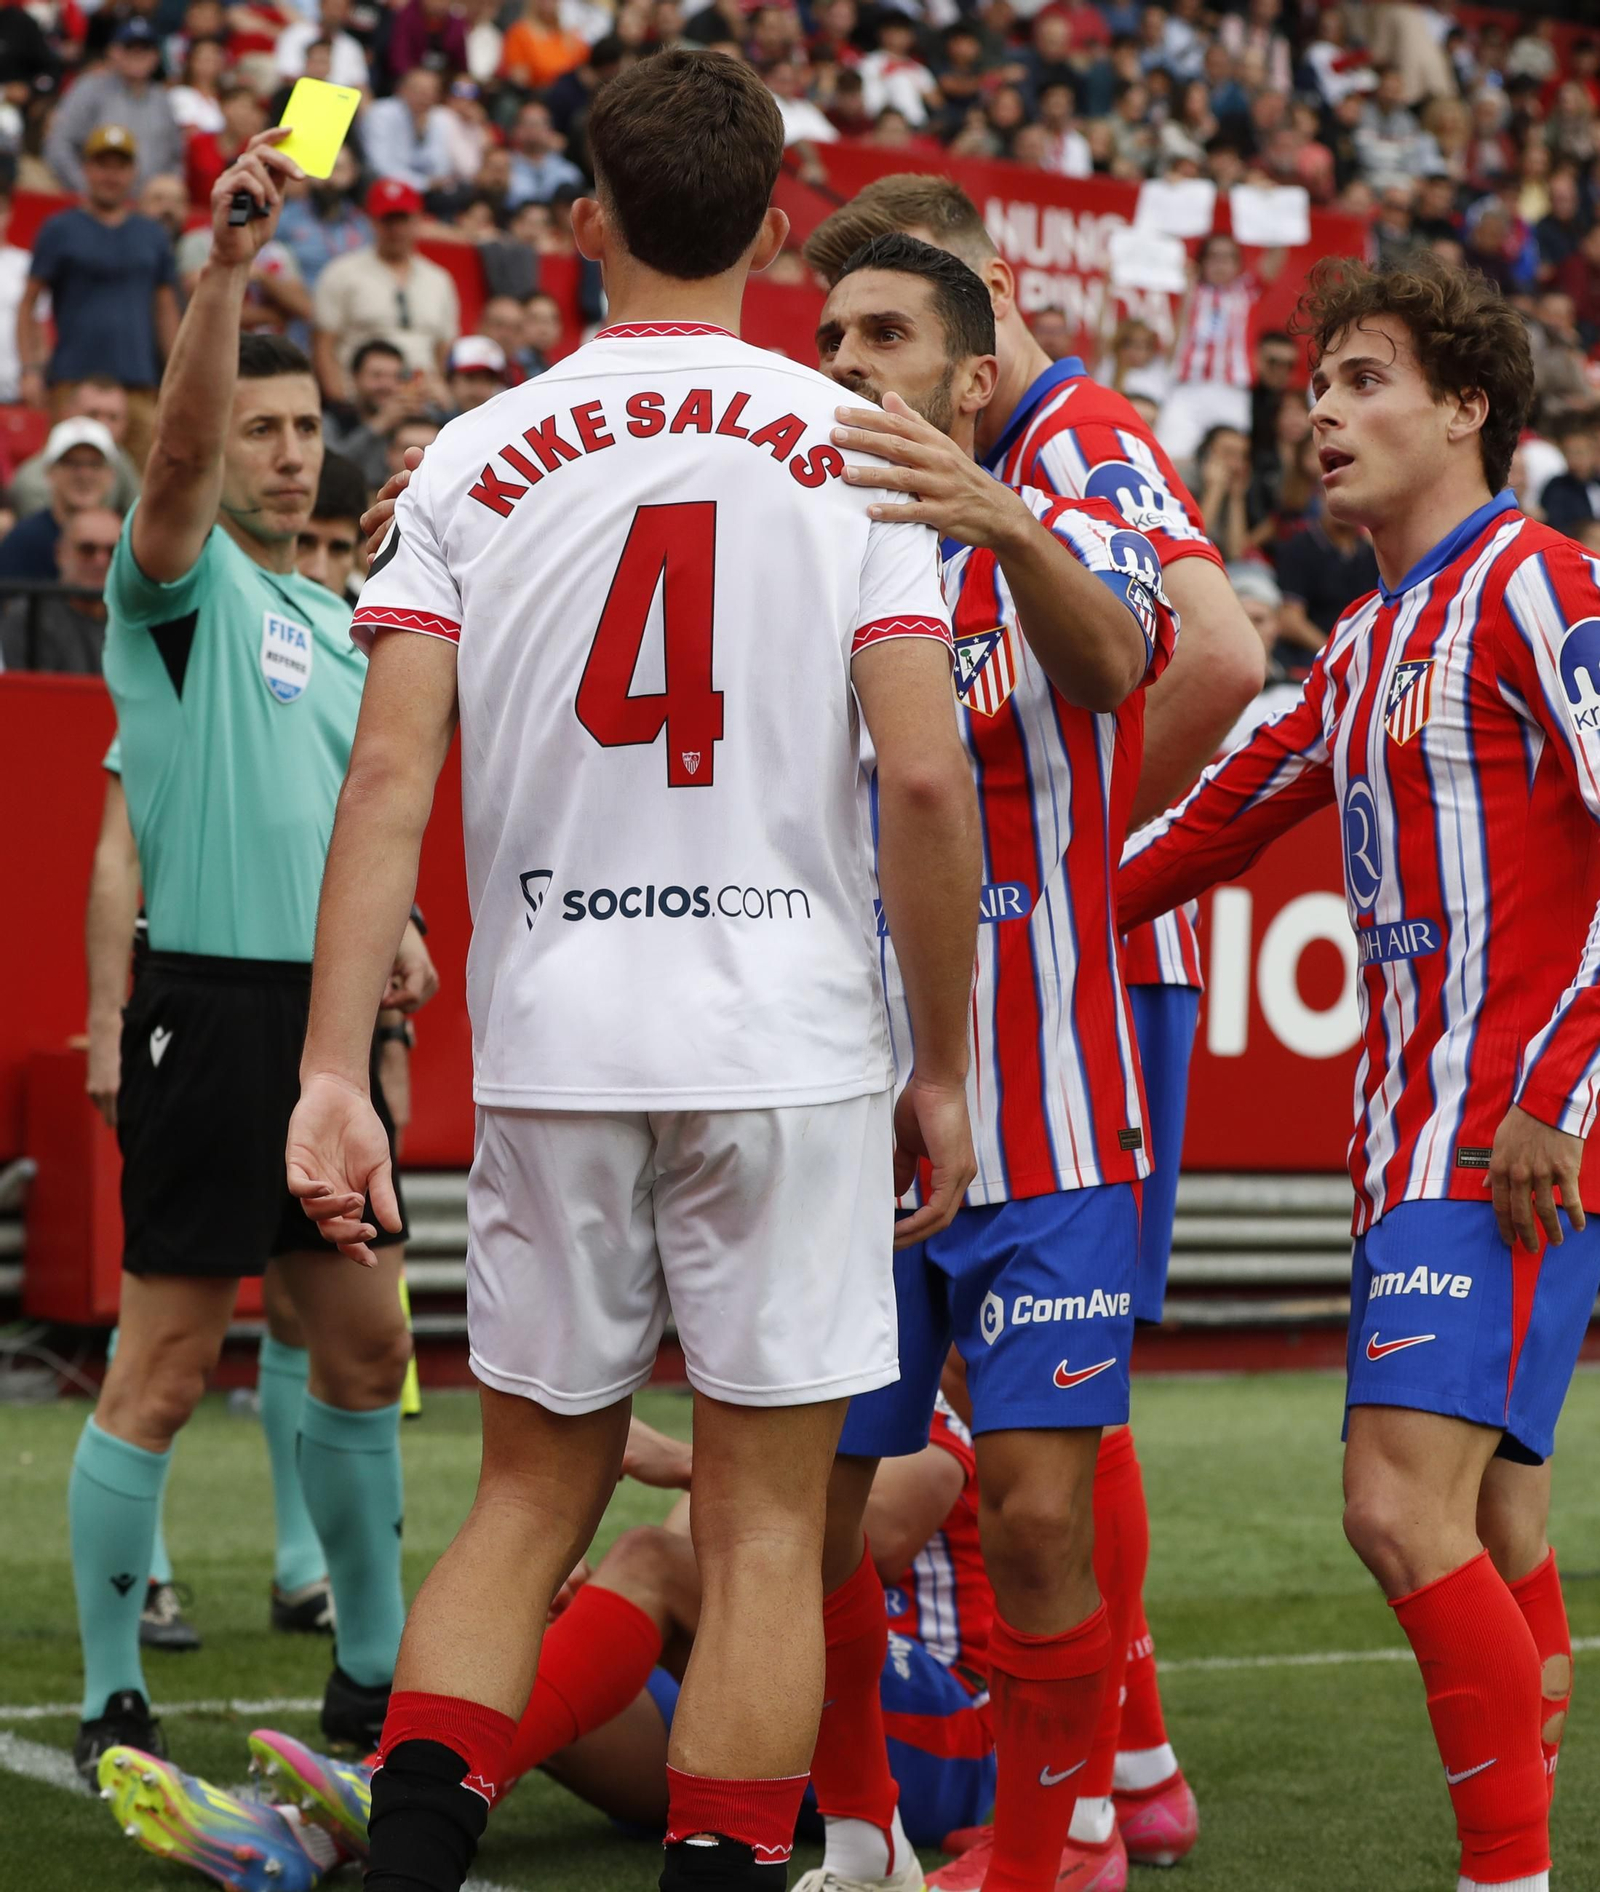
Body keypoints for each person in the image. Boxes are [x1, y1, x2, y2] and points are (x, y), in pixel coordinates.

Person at [284, 49, 980, 1892]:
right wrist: (948, 1066)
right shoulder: (858, 445)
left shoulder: (471, 458)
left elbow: (387, 775)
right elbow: (923, 769)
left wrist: (334, 1070)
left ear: (583, 227)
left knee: (528, 1495)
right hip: (787, 1036)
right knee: (763, 1531)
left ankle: (411, 1865)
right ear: (772, 230)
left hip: (556, 1031)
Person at [1121, 253, 1600, 1892]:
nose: (1322, 414)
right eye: (1313, 387)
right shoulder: (1365, 638)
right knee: (1492, 1527)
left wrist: (1553, 1091)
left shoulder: (1547, 586)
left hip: (1511, 1137)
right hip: (1412, 1149)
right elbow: (1212, 822)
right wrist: (1027, 920)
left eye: (1368, 379)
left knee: (1394, 1509)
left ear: (1469, 406)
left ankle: (1507, 1882)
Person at [802, 170, 1262, 1877]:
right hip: (855, 1105)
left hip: (1051, 1096)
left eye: (890, 330)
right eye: (831, 331)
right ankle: (869, 1837)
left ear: (979, 341)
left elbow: (1179, 659)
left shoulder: (1077, 453)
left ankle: (1082, 1815)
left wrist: (1066, 867)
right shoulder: (803, 516)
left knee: (1042, 1498)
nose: (853, 366)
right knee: (818, 1511)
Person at [66, 126, 432, 1784]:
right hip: (206, 1018)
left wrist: (400, 931)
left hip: (327, 1034)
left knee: (362, 1345)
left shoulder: (350, 630)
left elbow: (361, 821)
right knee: (157, 1360)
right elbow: (178, 452)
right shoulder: (182, 588)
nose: (284, 455)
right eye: (264, 432)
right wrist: (218, 276)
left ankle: (369, 1676)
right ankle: (107, 1691)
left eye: (305, 434)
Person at [98, 1393, 996, 1892]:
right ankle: (317, 1837)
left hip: (933, 1727)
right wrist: (608, 1602)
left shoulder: (938, 1401)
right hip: (784, 1721)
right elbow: (713, 1546)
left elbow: (860, 1535)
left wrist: (680, 1462)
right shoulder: (812, 1365)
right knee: (525, 1653)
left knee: (639, 1560)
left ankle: (368, 1793)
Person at [17, 124, 180, 464]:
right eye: (103, 165)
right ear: (87, 169)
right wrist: (30, 369)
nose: (111, 175)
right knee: (69, 476)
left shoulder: (152, 235)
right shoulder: (59, 228)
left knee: (144, 484)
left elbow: (166, 310)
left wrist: (176, 376)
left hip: (139, 382)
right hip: (72, 381)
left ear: (133, 172)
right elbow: (28, 304)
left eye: (120, 167)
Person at [310, 180, 460, 400]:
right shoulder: (341, 273)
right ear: (372, 222)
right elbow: (323, 345)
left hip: (423, 398)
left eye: (403, 220)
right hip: (362, 399)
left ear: (418, 220)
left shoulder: (438, 279)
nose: (396, 229)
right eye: (388, 221)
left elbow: (444, 347)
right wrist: (339, 398)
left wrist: (442, 390)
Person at [44, 20, 184, 192]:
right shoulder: (90, 89)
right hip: (95, 205)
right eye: (130, 48)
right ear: (113, 52)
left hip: (147, 210)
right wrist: (88, 190)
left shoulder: (163, 101)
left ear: (156, 56)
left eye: (145, 49)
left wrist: (159, 197)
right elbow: (59, 144)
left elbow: (176, 159)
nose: (138, 54)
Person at [0, 502, 119, 672]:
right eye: (87, 549)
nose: (100, 561)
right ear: (60, 554)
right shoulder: (29, 617)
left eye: (113, 551)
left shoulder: (139, 620)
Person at [0, 417, 118, 581]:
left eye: (95, 464)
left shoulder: (128, 539)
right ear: (49, 472)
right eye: (72, 463)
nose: (84, 475)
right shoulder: (22, 541)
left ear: (111, 475)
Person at [442, 334, 508, 413]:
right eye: (471, 378)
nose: (478, 390)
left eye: (487, 380)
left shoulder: (507, 419)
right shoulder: (431, 418)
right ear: (451, 381)